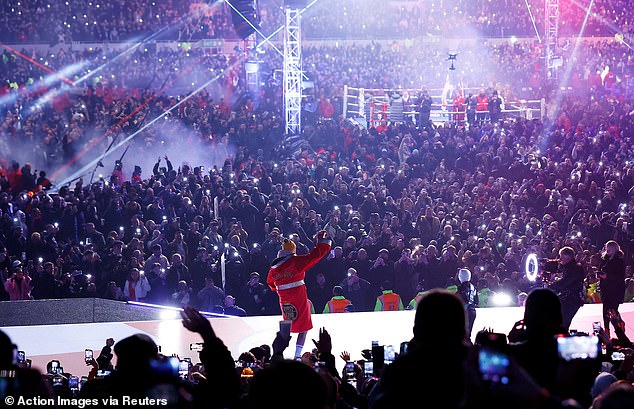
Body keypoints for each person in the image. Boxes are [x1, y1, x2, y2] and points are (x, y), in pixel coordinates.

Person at [267, 230, 331, 358]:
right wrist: (322, 243)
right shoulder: (295, 262)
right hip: (298, 297)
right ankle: (297, 355)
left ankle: (279, 352)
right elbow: (314, 256)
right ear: (292, 251)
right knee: (304, 326)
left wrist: (279, 289)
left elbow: (270, 283)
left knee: (288, 325)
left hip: (284, 300)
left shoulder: (274, 268)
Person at [549, 246, 585, 330]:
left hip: (572, 300)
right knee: (560, 322)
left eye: (561, 256)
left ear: (567, 257)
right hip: (567, 299)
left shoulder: (575, 268)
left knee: (563, 323)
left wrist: (552, 286)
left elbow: (566, 282)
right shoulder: (569, 268)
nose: (559, 258)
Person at [599, 240, 626, 337]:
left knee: (613, 309)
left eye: (610, 247)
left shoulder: (619, 261)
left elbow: (620, 276)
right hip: (605, 288)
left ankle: (619, 322)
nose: (608, 249)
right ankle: (607, 330)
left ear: (615, 248)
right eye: (607, 247)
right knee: (606, 309)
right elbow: (601, 269)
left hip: (616, 289)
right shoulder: (604, 259)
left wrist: (608, 276)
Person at [456, 268, 478, 339]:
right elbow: (476, 301)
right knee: (467, 336)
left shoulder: (461, 288)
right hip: (472, 311)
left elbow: (463, 298)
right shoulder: (473, 287)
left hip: (464, 313)